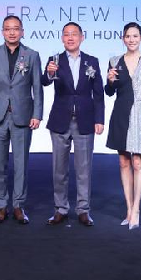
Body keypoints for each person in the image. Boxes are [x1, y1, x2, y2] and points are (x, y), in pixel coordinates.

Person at [0, 15, 42, 224]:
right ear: (2, 31)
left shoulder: (32, 55)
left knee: (21, 164)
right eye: (7, 29)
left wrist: (37, 114)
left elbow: (37, 87)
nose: (12, 32)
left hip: (22, 115)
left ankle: (18, 206)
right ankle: (1, 206)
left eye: (15, 28)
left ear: (22, 31)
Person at [41, 22, 104, 227]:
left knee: (84, 169)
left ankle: (83, 210)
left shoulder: (92, 61)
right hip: (60, 119)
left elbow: (98, 93)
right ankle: (60, 209)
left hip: (85, 120)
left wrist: (99, 119)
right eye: (66, 34)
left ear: (81, 37)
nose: (70, 38)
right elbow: (44, 81)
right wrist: (49, 73)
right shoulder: (54, 60)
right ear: (62, 38)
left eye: (74, 34)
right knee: (59, 169)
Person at [105, 22, 141, 230]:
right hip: (120, 113)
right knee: (124, 162)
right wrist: (109, 81)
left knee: (138, 163)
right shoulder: (114, 61)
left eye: (135, 36)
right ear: (123, 38)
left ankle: (136, 208)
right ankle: (128, 208)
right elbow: (109, 92)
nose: (131, 39)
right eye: (128, 36)